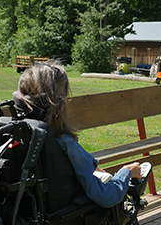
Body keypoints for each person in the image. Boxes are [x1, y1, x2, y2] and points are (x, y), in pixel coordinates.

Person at [14, 61, 141, 208]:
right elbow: (106, 196)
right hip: (67, 217)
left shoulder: (19, 135)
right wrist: (126, 173)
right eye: (65, 94)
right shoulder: (64, 143)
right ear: (58, 102)